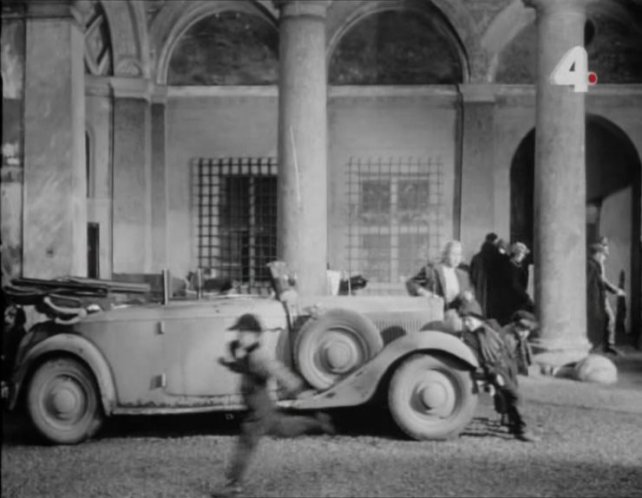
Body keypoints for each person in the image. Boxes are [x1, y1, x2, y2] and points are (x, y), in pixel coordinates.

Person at [215, 313, 335, 497]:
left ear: (255, 335)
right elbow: (245, 368)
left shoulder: (259, 356)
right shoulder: (249, 354)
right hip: (261, 409)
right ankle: (317, 422)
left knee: (246, 443)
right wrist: (229, 365)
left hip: (259, 411)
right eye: (238, 332)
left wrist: (298, 389)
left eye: (243, 332)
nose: (239, 336)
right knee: (283, 428)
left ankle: (234, 484)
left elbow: (278, 371)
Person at [458, 301, 539, 442]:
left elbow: (504, 350)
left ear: (479, 319)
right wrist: (495, 376)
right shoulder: (471, 338)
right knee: (516, 397)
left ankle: (514, 425)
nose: (467, 324)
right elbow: (481, 359)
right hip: (496, 371)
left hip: (505, 367)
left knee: (510, 397)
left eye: (469, 320)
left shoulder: (490, 328)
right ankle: (523, 430)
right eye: (464, 320)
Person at [406, 240, 478, 311]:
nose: (457, 258)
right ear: (445, 255)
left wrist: (468, 296)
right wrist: (426, 294)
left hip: (458, 316)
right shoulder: (431, 271)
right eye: (453, 254)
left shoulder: (464, 275)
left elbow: (470, 292)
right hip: (436, 313)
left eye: (459, 254)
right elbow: (411, 283)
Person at [586, 241, 625, 355]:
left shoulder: (595, 265)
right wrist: (615, 290)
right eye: (603, 255)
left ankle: (606, 345)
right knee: (601, 320)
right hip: (594, 300)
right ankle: (599, 346)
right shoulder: (592, 266)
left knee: (608, 319)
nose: (604, 258)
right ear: (597, 254)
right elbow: (590, 284)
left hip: (599, 298)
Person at [494, 242, 535, 325]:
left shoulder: (519, 266)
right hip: (511, 301)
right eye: (522, 254)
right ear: (518, 254)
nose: (524, 257)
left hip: (519, 299)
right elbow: (514, 284)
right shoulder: (509, 266)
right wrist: (526, 297)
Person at [469, 233, 501, 316]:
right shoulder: (498, 257)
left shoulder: (476, 257)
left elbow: (472, 276)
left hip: (479, 289)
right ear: (495, 241)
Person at [500, 310, 538, 376]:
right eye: (522, 329)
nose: (525, 333)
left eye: (527, 330)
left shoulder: (520, 337)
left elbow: (527, 359)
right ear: (514, 325)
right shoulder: (508, 336)